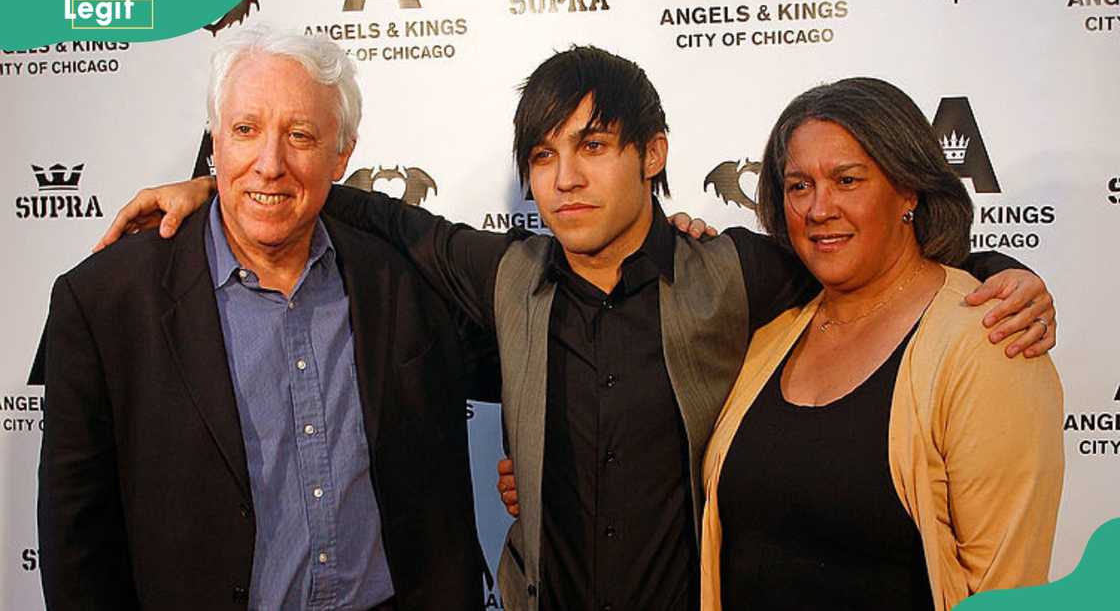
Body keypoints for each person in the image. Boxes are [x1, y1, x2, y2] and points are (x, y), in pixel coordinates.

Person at [97, 47, 1057, 611]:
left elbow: (870, 262)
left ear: (653, 153)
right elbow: (370, 212)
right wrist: (214, 187)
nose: (565, 179)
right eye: (545, 155)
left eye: (594, 147)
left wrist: (1000, 273)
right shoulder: (502, 276)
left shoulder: (736, 273)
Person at [38, 27, 497, 611]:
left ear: (343, 153)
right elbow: (75, 536)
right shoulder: (104, 301)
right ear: (215, 141)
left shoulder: (403, 278)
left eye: (300, 136)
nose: (269, 163)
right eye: (245, 131)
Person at [698, 78, 1064, 611]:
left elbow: (1009, 592)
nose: (818, 209)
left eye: (847, 180)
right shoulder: (768, 337)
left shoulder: (990, 340)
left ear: (908, 190)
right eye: (799, 186)